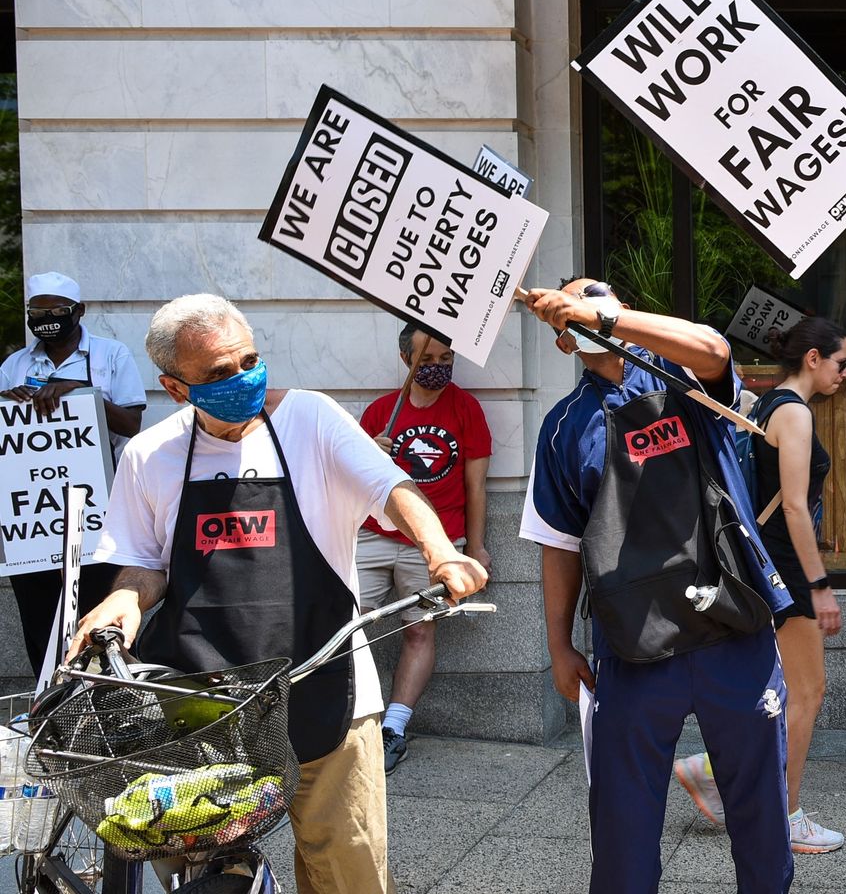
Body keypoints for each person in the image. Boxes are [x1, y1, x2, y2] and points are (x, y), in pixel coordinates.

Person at [68, 294, 488, 894]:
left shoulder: (311, 420)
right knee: (201, 873)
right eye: (219, 373)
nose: (244, 379)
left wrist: (440, 549)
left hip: (329, 686)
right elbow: (141, 563)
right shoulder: (148, 455)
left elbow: (391, 487)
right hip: (209, 706)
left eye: (250, 360)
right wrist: (124, 599)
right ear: (176, 387)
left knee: (349, 872)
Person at [517, 277, 794, 894]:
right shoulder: (562, 428)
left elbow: (716, 348)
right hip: (631, 642)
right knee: (622, 830)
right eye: (576, 311)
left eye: (599, 301)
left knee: (760, 814)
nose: (589, 315)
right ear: (563, 342)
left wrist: (607, 317)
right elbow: (558, 545)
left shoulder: (687, 380)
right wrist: (559, 645)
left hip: (732, 624)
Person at [676, 316, 846, 854]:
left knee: (778, 691)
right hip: (786, 569)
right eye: (843, 362)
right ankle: (786, 815)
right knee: (806, 692)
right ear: (814, 358)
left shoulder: (768, 404)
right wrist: (818, 583)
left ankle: (712, 770)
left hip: (762, 564)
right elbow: (795, 506)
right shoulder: (794, 413)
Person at [356, 322, 493, 772]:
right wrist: (369, 454)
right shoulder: (380, 412)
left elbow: (477, 486)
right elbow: (353, 483)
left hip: (434, 542)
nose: (437, 368)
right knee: (345, 627)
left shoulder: (467, 409)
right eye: (427, 360)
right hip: (374, 537)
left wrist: (475, 546)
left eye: (445, 360)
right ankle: (348, 720)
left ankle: (393, 727)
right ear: (407, 361)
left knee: (419, 631)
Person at [1, 271, 147, 677]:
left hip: (99, 511)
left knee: (103, 614)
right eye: (37, 311)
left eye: (56, 311)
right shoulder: (14, 365)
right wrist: (9, 405)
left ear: (78, 312)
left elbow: (131, 423)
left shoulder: (111, 355)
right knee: (40, 620)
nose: (46, 318)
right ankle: (51, 706)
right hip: (34, 518)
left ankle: (117, 703)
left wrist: (79, 393)